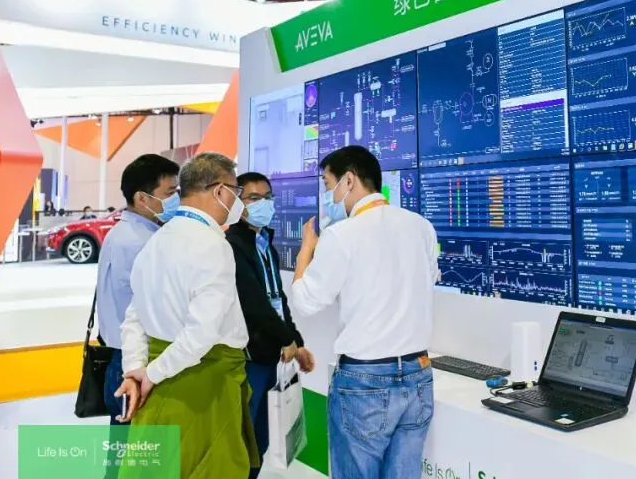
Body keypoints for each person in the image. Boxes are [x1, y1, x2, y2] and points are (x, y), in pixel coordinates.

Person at [291, 146, 440, 479]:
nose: (330, 196)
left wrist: (305, 252)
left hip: (364, 380)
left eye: (328, 184)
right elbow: (428, 279)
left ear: (349, 180)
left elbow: (306, 301)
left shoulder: (341, 235)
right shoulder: (421, 226)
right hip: (418, 375)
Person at [116, 152, 258, 478]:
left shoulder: (156, 241)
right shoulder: (212, 245)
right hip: (202, 386)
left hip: (162, 380)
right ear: (220, 191)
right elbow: (201, 334)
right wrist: (150, 374)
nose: (238, 201)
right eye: (236, 191)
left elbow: (134, 317)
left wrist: (135, 370)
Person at [226, 171, 315, 477]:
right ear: (236, 203)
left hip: (270, 358)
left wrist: (296, 341)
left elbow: (278, 299)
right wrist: (287, 340)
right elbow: (255, 306)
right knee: (243, 441)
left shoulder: (265, 244)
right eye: (253, 198)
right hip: (248, 359)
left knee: (259, 439)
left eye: (267, 197)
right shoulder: (233, 246)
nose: (263, 203)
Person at [95, 153, 180, 425]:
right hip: (136, 359)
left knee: (125, 439)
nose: (177, 199)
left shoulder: (122, 233)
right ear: (142, 198)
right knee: (137, 443)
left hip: (123, 355)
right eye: (170, 193)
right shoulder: (142, 242)